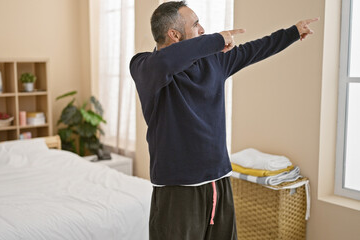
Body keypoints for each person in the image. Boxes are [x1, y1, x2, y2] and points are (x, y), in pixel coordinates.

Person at [129, 1, 318, 239]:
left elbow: (254, 50)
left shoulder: (213, 62)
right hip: (177, 188)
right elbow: (167, 61)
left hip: (218, 180)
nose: (202, 29)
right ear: (174, 35)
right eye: (196, 24)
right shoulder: (144, 66)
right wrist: (217, 40)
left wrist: (292, 32)